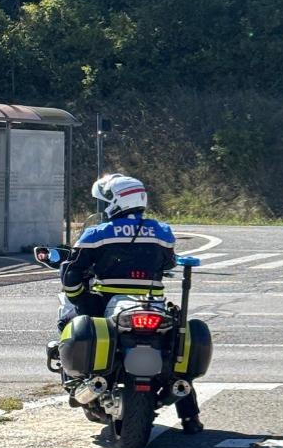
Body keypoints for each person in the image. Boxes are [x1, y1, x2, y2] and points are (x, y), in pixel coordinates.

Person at [59, 173, 203, 434]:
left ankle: (77, 381)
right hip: (152, 304)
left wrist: (80, 297)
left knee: (68, 320)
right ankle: (190, 416)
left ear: (116, 202)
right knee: (174, 346)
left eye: (104, 203)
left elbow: (72, 273)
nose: (102, 209)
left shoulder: (97, 233)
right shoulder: (163, 231)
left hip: (107, 302)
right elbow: (169, 262)